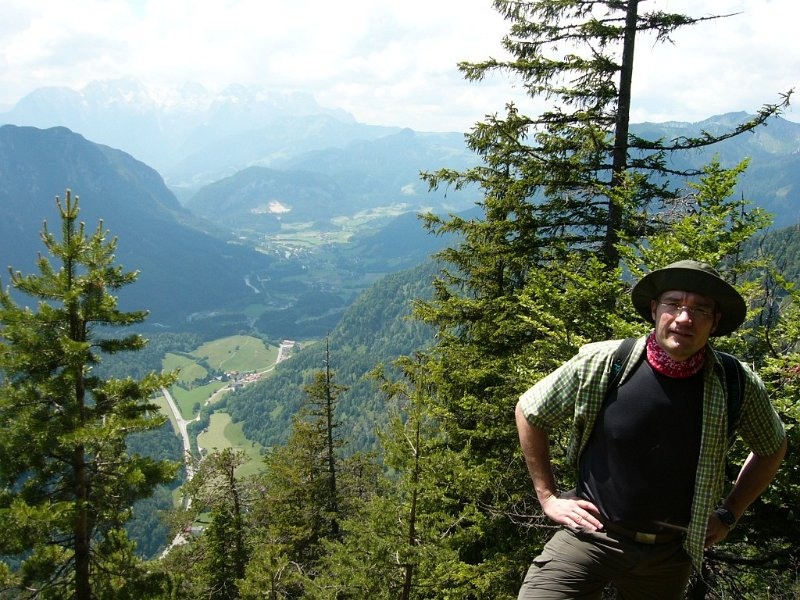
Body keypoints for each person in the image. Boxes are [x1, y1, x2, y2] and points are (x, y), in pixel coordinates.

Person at [515, 260, 787, 599]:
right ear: (655, 309)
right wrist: (548, 497)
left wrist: (730, 513)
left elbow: (772, 447)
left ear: (715, 321)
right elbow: (529, 411)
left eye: (700, 309)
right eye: (674, 303)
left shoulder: (735, 382)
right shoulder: (604, 362)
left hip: (669, 557)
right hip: (589, 537)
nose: (684, 318)